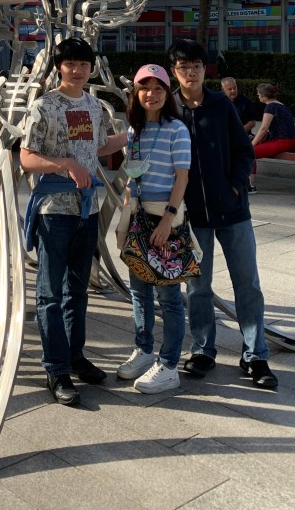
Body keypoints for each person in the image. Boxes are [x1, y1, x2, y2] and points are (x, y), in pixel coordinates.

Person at [21, 37, 127, 406]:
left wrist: (131, 135)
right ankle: (56, 368)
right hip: (54, 211)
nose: (78, 70)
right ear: (59, 67)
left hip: (88, 210)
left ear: (91, 68)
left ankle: (75, 357)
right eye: (71, 63)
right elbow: (27, 158)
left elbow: (98, 147)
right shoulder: (44, 106)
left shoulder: (94, 106)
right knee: (50, 293)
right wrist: (64, 164)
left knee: (77, 291)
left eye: (84, 64)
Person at [168, 39, 278, 390]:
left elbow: (245, 152)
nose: (190, 73)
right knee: (198, 287)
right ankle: (203, 349)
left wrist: (234, 187)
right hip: (192, 215)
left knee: (247, 284)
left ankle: (255, 354)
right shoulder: (169, 107)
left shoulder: (221, 104)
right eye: (183, 67)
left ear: (205, 69)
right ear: (174, 71)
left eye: (196, 66)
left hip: (232, 211)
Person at [116, 64, 191, 394]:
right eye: (144, 88)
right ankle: (144, 351)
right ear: (136, 93)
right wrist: (126, 220)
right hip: (137, 216)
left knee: (169, 296)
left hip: (165, 217)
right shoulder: (134, 130)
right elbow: (132, 177)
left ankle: (170, 365)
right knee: (139, 291)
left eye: (158, 88)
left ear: (167, 93)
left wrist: (167, 221)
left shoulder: (177, 129)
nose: (151, 94)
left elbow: (182, 178)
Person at [251, 84, 295, 177]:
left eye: (258, 94)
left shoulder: (271, 107)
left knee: (249, 152)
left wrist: (252, 144)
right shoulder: (281, 105)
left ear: (264, 96)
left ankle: (249, 183)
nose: (257, 95)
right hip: (292, 141)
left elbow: (264, 128)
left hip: (283, 142)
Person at [221, 77, 259, 192]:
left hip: (242, 135)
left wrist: (237, 131)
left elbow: (252, 122)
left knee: (247, 151)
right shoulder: (218, 101)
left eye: (234, 88)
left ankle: (248, 184)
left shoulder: (244, 101)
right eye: (229, 89)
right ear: (223, 90)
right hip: (222, 136)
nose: (233, 91)